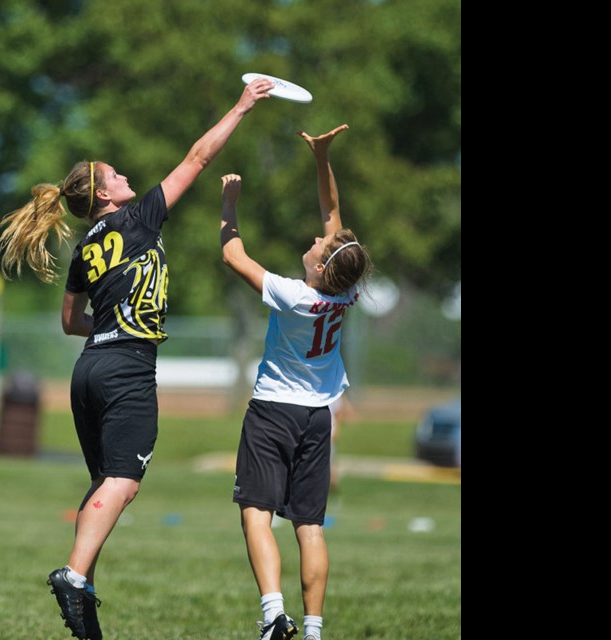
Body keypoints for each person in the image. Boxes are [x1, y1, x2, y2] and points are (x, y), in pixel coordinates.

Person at [0, 77, 274, 640]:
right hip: (126, 369)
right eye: (116, 174)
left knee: (103, 484)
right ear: (103, 194)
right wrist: (242, 107)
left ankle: (85, 610)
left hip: (89, 369)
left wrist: (114, 319)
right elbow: (197, 157)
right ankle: (74, 576)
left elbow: (71, 322)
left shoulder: (85, 247)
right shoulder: (139, 216)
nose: (126, 177)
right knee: (123, 481)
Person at [219, 124, 372, 640]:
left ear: (321, 265)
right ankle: (312, 631)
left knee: (256, 512)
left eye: (317, 246)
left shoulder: (293, 295)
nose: (314, 240)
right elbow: (332, 216)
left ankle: (271, 617)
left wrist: (229, 208)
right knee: (309, 525)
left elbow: (233, 257)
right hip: (317, 415)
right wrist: (322, 157)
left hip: (273, 412)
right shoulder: (342, 292)